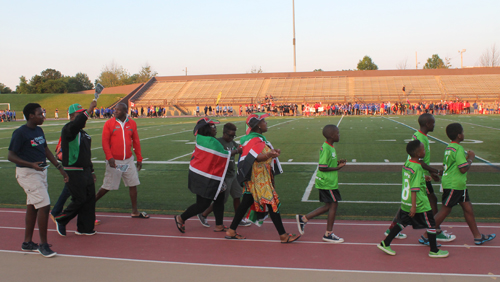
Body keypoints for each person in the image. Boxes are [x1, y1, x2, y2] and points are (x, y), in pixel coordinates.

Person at [225, 113, 300, 243]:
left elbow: (256, 155)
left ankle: (231, 230)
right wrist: (268, 155)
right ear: (258, 125)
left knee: (245, 204)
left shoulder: (254, 139)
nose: (266, 123)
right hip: (259, 179)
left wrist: (271, 153)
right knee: (272, 203)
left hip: (254, 178)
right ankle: (283, 235)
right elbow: (254, 157)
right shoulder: (254, 140)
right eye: (264, 121)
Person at [8, 103, 69, 257]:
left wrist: (59, 168)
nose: (43, 116)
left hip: (41, 172)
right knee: (44, 205)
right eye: (40, 114)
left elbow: (45, 149)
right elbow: (11, 156)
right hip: (28, 173)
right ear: (31, 116)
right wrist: (31, 165)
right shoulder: (20, 133)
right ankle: (43, 244)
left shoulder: (39, 130)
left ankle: (27, 243)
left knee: (32, 206)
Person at [421, 123, 496, 245]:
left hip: (458, 184)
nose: (464, 134)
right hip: (454, 184)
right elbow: (463, 169)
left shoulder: (449, 147)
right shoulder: (459, 149)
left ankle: (477, 236)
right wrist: (471, 158)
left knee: (468, 208)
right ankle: (426, 235)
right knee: (445, 210)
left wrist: (465, 159)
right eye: (463, 132)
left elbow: (453, 165)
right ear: (459, 135)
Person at [378, 140, 448, 257]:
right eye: (423, 150)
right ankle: (434, 250)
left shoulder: (407, 164)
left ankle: (385, 243)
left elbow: (411, 178)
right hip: (419, 202)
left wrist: (423, 178)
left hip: (406, 201)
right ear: (419, 154)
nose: (425, 151)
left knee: (402, 223)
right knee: (431, 224)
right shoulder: (418, 167)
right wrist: (414, 207)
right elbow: (414, 188)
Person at [385, 114, 448, 242]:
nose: (434, 125)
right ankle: (435, 229)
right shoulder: (421, 139)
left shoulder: (420, 135)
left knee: (421, 202)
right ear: (427, 124)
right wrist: (435, 171)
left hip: (421, 173)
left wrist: (431, 173)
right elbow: (419, 161)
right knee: (431, 201)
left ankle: (392, 228)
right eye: (433, 123)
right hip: (419, 175)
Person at [175, 118, 233, 233]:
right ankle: (181, 218)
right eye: (212, 127)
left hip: (203, 174)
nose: (215, 129)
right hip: (204, 177)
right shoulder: (211, 142)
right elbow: (224, 154)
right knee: (203, 204)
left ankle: (219, 225)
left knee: (219, 198)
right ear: (206, 129)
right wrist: (235, 151)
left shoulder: (203, 139)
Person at [94, 103, 148, 218]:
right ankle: (90, 205)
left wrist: (139, 158)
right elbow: (105, 142)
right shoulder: (109, 123)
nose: (115, 112)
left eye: (118, 110)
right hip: (115, 162)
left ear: (125, 111)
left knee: (133, 184)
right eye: (115, 110)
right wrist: (109, 157)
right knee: (107, 186)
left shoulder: (132, 123)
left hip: (128, 161)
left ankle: (135, 211)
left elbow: (136, 141)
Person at [295, 125, 346, 242]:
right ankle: (328, 234)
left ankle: (304, 219)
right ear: (332, 136)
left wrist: (337, 163)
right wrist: (337, 168)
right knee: (333, 205)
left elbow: (328, 163)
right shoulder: (327, 148)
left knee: (328, 206)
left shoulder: (330, 147)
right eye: (338, 133)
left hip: (329, 182)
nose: (339, 135)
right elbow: (322, 167)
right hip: (327, 182)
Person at [54, 101, 98, 236]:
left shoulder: (84, 134)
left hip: (85, 170)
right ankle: (61, 219)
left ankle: (85, 228)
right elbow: (76, 125)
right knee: (79, 199)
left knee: (90, 199)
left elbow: (87, 155)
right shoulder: (69, 130)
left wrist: (91, 171)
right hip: (74, 170)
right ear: (72, 116)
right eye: (79, 114)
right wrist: (89, 109)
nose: (84, 118)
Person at [197, 123, 250, 228]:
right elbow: (222, 155)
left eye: (233, 136)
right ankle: (203, 214)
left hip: (232, 174)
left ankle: (238, 218)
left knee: (237, 196)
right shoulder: (218, 142)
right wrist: (236, 151)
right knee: (221, 201)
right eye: (229, 135)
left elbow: (240, 148)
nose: (231, 138)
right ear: (224, 133)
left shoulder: (232, 143)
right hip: (223, 176)